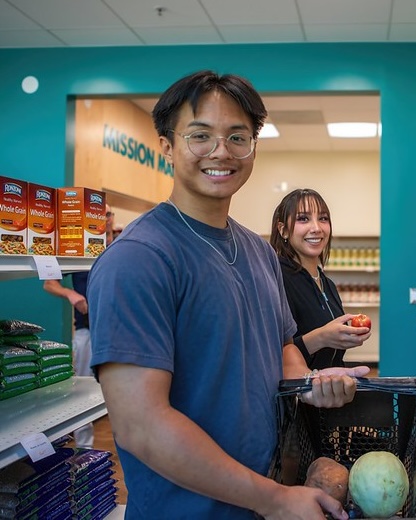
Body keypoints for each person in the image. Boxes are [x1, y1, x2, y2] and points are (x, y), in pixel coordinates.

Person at [86, 70, 369, 520]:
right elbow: (141, 425)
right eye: (201, 135)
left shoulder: (257, 250)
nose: (221, 151)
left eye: (238, 136)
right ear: (167, 146)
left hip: (264, 493)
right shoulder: (139, 259)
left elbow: (280, 350)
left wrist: (309, 386)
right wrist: (274, 500)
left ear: (253, 147)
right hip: (189, 510)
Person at [270, 189, 371, 369]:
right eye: (303, 219)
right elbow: (270, 354)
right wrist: (321, 337)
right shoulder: (276, 279)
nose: (316, 228)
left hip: (330, 393)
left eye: (323, 218)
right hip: (297, 394)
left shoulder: (327, 284)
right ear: (283, 230)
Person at [43, 203, 114, 448]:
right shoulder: (77, 249)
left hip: (117, 331)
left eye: (107, 214)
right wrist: (71, 294)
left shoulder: (119, 247)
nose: (105, 218)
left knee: (120, 389)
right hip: (86, 329)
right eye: (100, 214)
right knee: (83, 391)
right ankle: (85, 449)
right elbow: (49, 283)